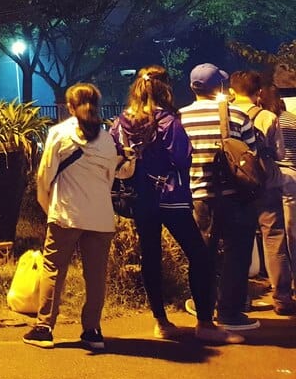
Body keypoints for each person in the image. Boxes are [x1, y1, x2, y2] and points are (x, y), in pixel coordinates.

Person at [110, 66, 241, 343]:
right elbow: (182, 159)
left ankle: (161, 321)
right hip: (171, 198)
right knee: (200, 256)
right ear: (164, 89)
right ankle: (205, 323)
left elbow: (113, 153)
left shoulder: (122, 122)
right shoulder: (169, 122)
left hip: (139, 199)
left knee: (151, 258)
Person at [24, 83, 124, 351]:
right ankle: (92, 330)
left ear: (69, 106)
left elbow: (44, 176)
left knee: (53, 270)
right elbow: (109, 180)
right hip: (101, 218)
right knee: (96, 275)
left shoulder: (59, 134)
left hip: (66, 213)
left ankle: (44, 327)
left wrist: (49, 208)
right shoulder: (107, 140)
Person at [178, 63, 260, 331]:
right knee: (237, 253)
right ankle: (230, 312)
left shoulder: (179, 118)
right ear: (220, 86)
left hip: (197, 197)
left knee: (203, 255)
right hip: (235, 196)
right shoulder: (236, 115)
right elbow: (251, 155)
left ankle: (203, 306)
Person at [230, 71, 295, 315]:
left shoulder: (227, 116)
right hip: (267, 184)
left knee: (239, 242)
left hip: (238, 185)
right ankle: (282, 298)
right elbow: (279, 153)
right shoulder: (268, 116)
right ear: (258, 92)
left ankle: (241, 299)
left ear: (232, 91)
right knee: (274, 238)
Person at [260, 85, 296, 292]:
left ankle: (278, 283)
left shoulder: (261, 118)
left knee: (272, 234)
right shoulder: (291, 119)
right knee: (293, 234)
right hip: (291, 177)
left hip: (270, 179)